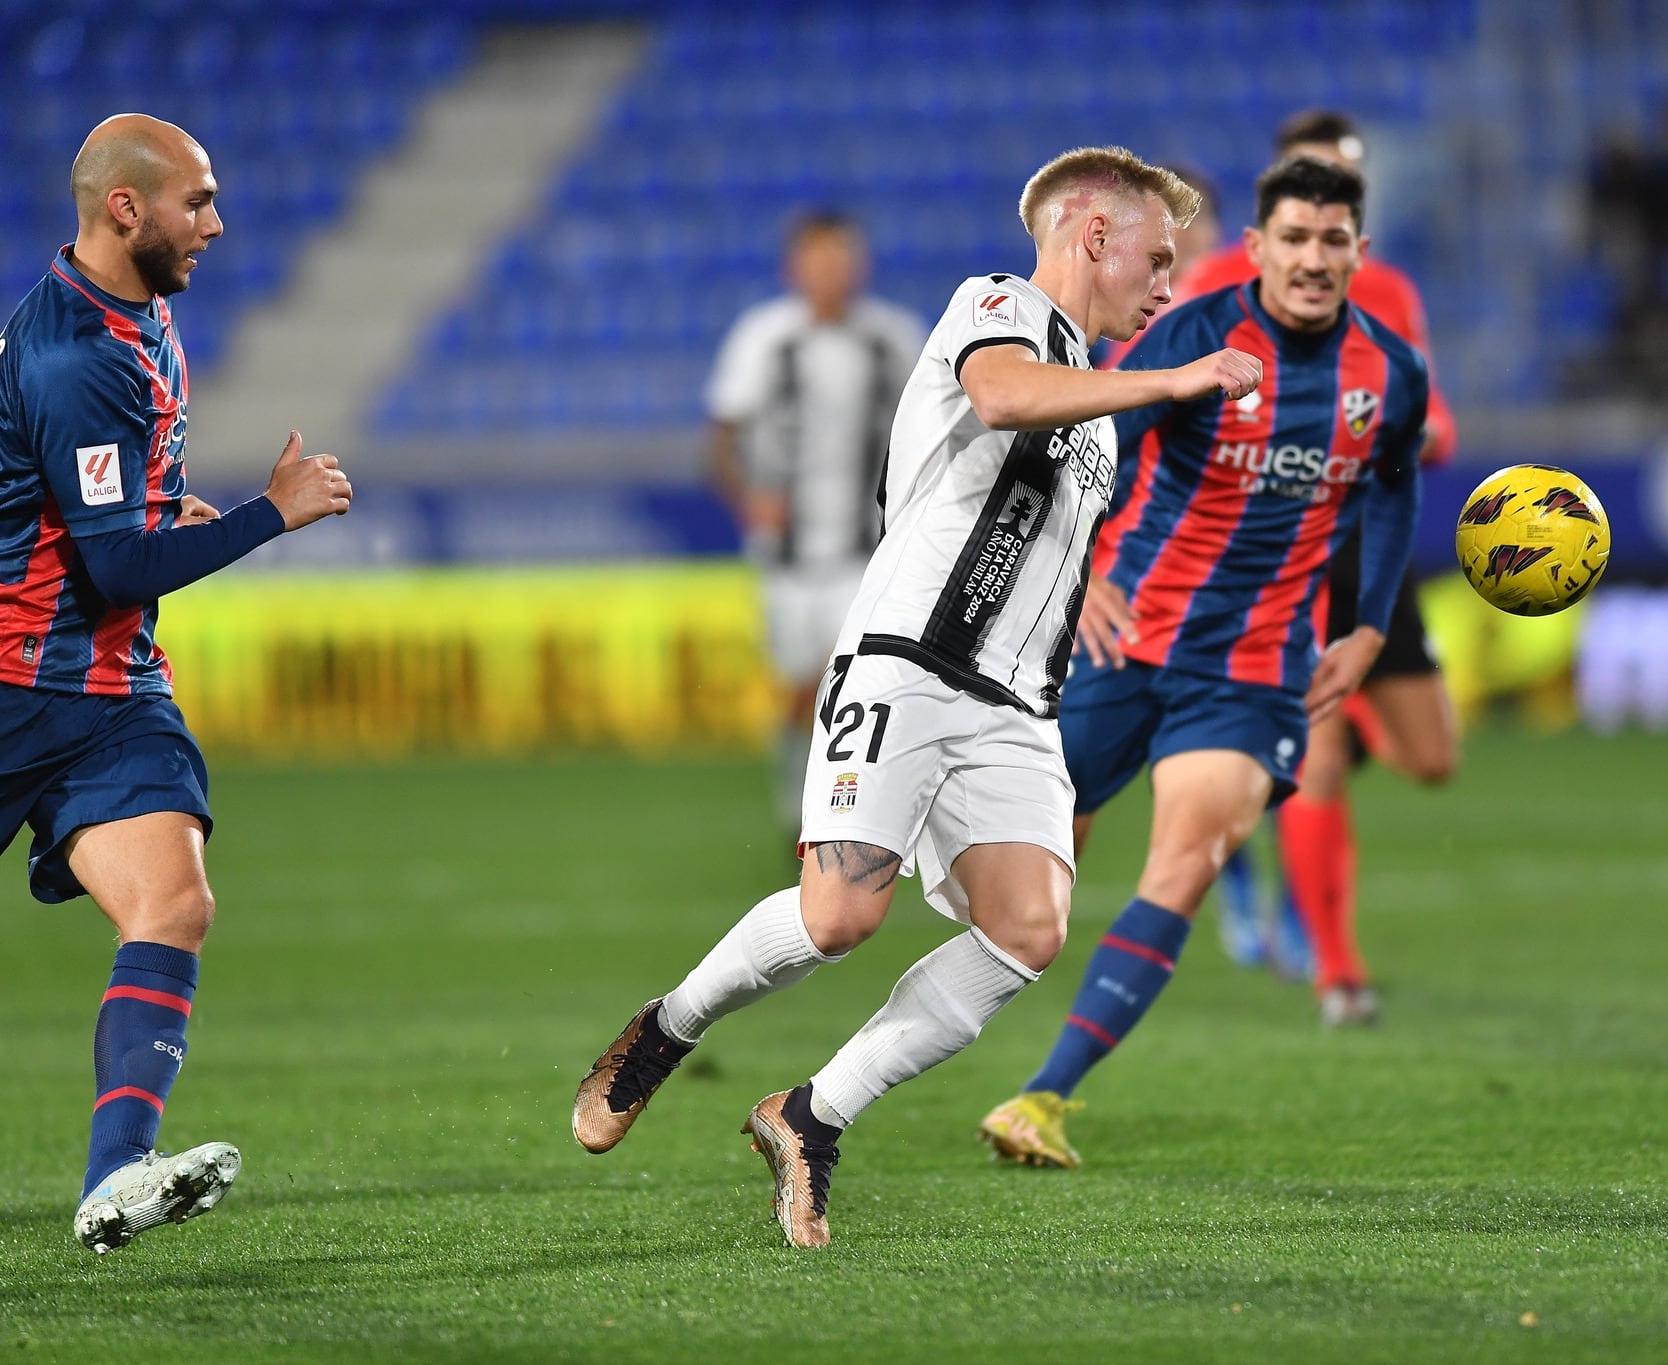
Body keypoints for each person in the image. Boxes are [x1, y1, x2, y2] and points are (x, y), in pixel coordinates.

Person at [571, 146, 1260, 1247]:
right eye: (1159, 257)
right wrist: (1173, 380)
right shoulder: (994, 305)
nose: (1170, 284)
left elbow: (1033, 518)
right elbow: (997, 397)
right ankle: (668, 1027)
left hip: (1015, 705)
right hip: (908, 661)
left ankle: (811, 1112)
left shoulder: (1091, 397)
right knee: (840, 917)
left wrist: (1078, 595)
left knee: (1027, 929)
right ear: (1092, 234)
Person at [979, 155, 1427, 1169]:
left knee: (1181, 864)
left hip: (1253, 668)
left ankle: (1044, 1097)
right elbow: (1086, 446)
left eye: (1333, 240)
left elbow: (1392, 484)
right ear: (1259, 247)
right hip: (1124, 640)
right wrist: (1081, 567)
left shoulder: (1386, 373)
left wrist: (1363, 626)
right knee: (1021, 887)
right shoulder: (1189, 336)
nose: (1314, 259)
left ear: (1357, 251)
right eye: (1296, 239)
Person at [0, 114, 354, 1252]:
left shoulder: (133, 315)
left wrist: (147, 509)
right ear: (124, 209)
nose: (217, 224)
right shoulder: (76, 354)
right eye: (197, 203)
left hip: (111, 684)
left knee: (173, 902)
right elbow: (117, 563)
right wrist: (263, 516)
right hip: (5, 679)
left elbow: (100, 523)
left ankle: (115, 1174)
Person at [1188, 110, 1461, 1025]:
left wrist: (1414, 434)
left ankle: (1273, 791)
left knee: (1432, 757)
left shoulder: (1387, 287)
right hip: (1276, 548)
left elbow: (1432, 418)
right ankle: (1336, 970)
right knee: (1324, 746)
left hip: (1368, 545)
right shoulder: (1221, 282)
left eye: (1343, 178)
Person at [705, 212, 927, 826]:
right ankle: (796, 799)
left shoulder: (896, 338)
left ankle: (843, 811)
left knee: (851, 681)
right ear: (794, 267)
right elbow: (721, 438)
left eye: (841, 259)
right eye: (818, 260)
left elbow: (933, 431)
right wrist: (750, 497)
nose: (830, 273)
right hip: (789, 553)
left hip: (868, 547)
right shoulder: (763, 339)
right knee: (800, 690)